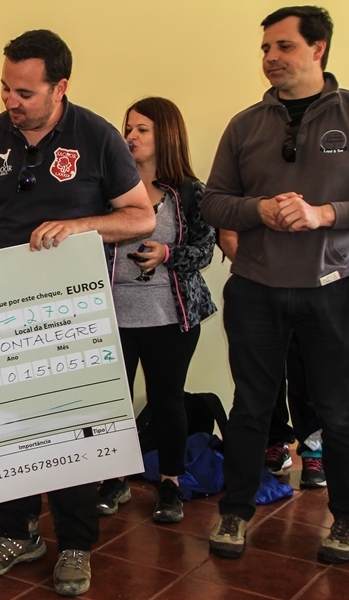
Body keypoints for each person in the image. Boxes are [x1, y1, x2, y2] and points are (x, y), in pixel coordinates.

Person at [0, 29, 154, 596]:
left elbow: (140, 217)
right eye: (5, 88)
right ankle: (17, 532)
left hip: (73, 319)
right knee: (7, 426)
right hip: (3, 313)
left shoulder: (98, 136)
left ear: (60, 87)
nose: (10, 101)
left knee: (70, 432)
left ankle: (76, 544)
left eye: (25, 92)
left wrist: (79, 226)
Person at [201, 6, 349, 563]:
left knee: (337, 411)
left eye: (283, 46)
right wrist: (259, 209)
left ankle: (344, 520)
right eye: (265, 48)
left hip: (332, 288)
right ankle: (235, 512)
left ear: (318, 49)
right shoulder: (245, 124)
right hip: (256, 289)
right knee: (251, 407)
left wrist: (324, 214)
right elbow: (213, 202)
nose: (270, 57)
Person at [97, 98, 216, 523]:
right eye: (128, 128)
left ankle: (170, 483)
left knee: (167, 401)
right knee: (114, 402)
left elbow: (205, 251)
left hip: (171, 314)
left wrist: (167, 254)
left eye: (142, 129)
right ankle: (114, 479)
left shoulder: (191, 191)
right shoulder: (107, 188)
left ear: (165, 134)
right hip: (113, 314)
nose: (130, 136)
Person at [218, 230, 326, 488]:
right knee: (263, 379)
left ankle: (313, 448)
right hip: (258, 290)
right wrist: (262, 276)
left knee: (307, 372)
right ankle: (275, 443)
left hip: (311, 288)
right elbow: (228, 236)